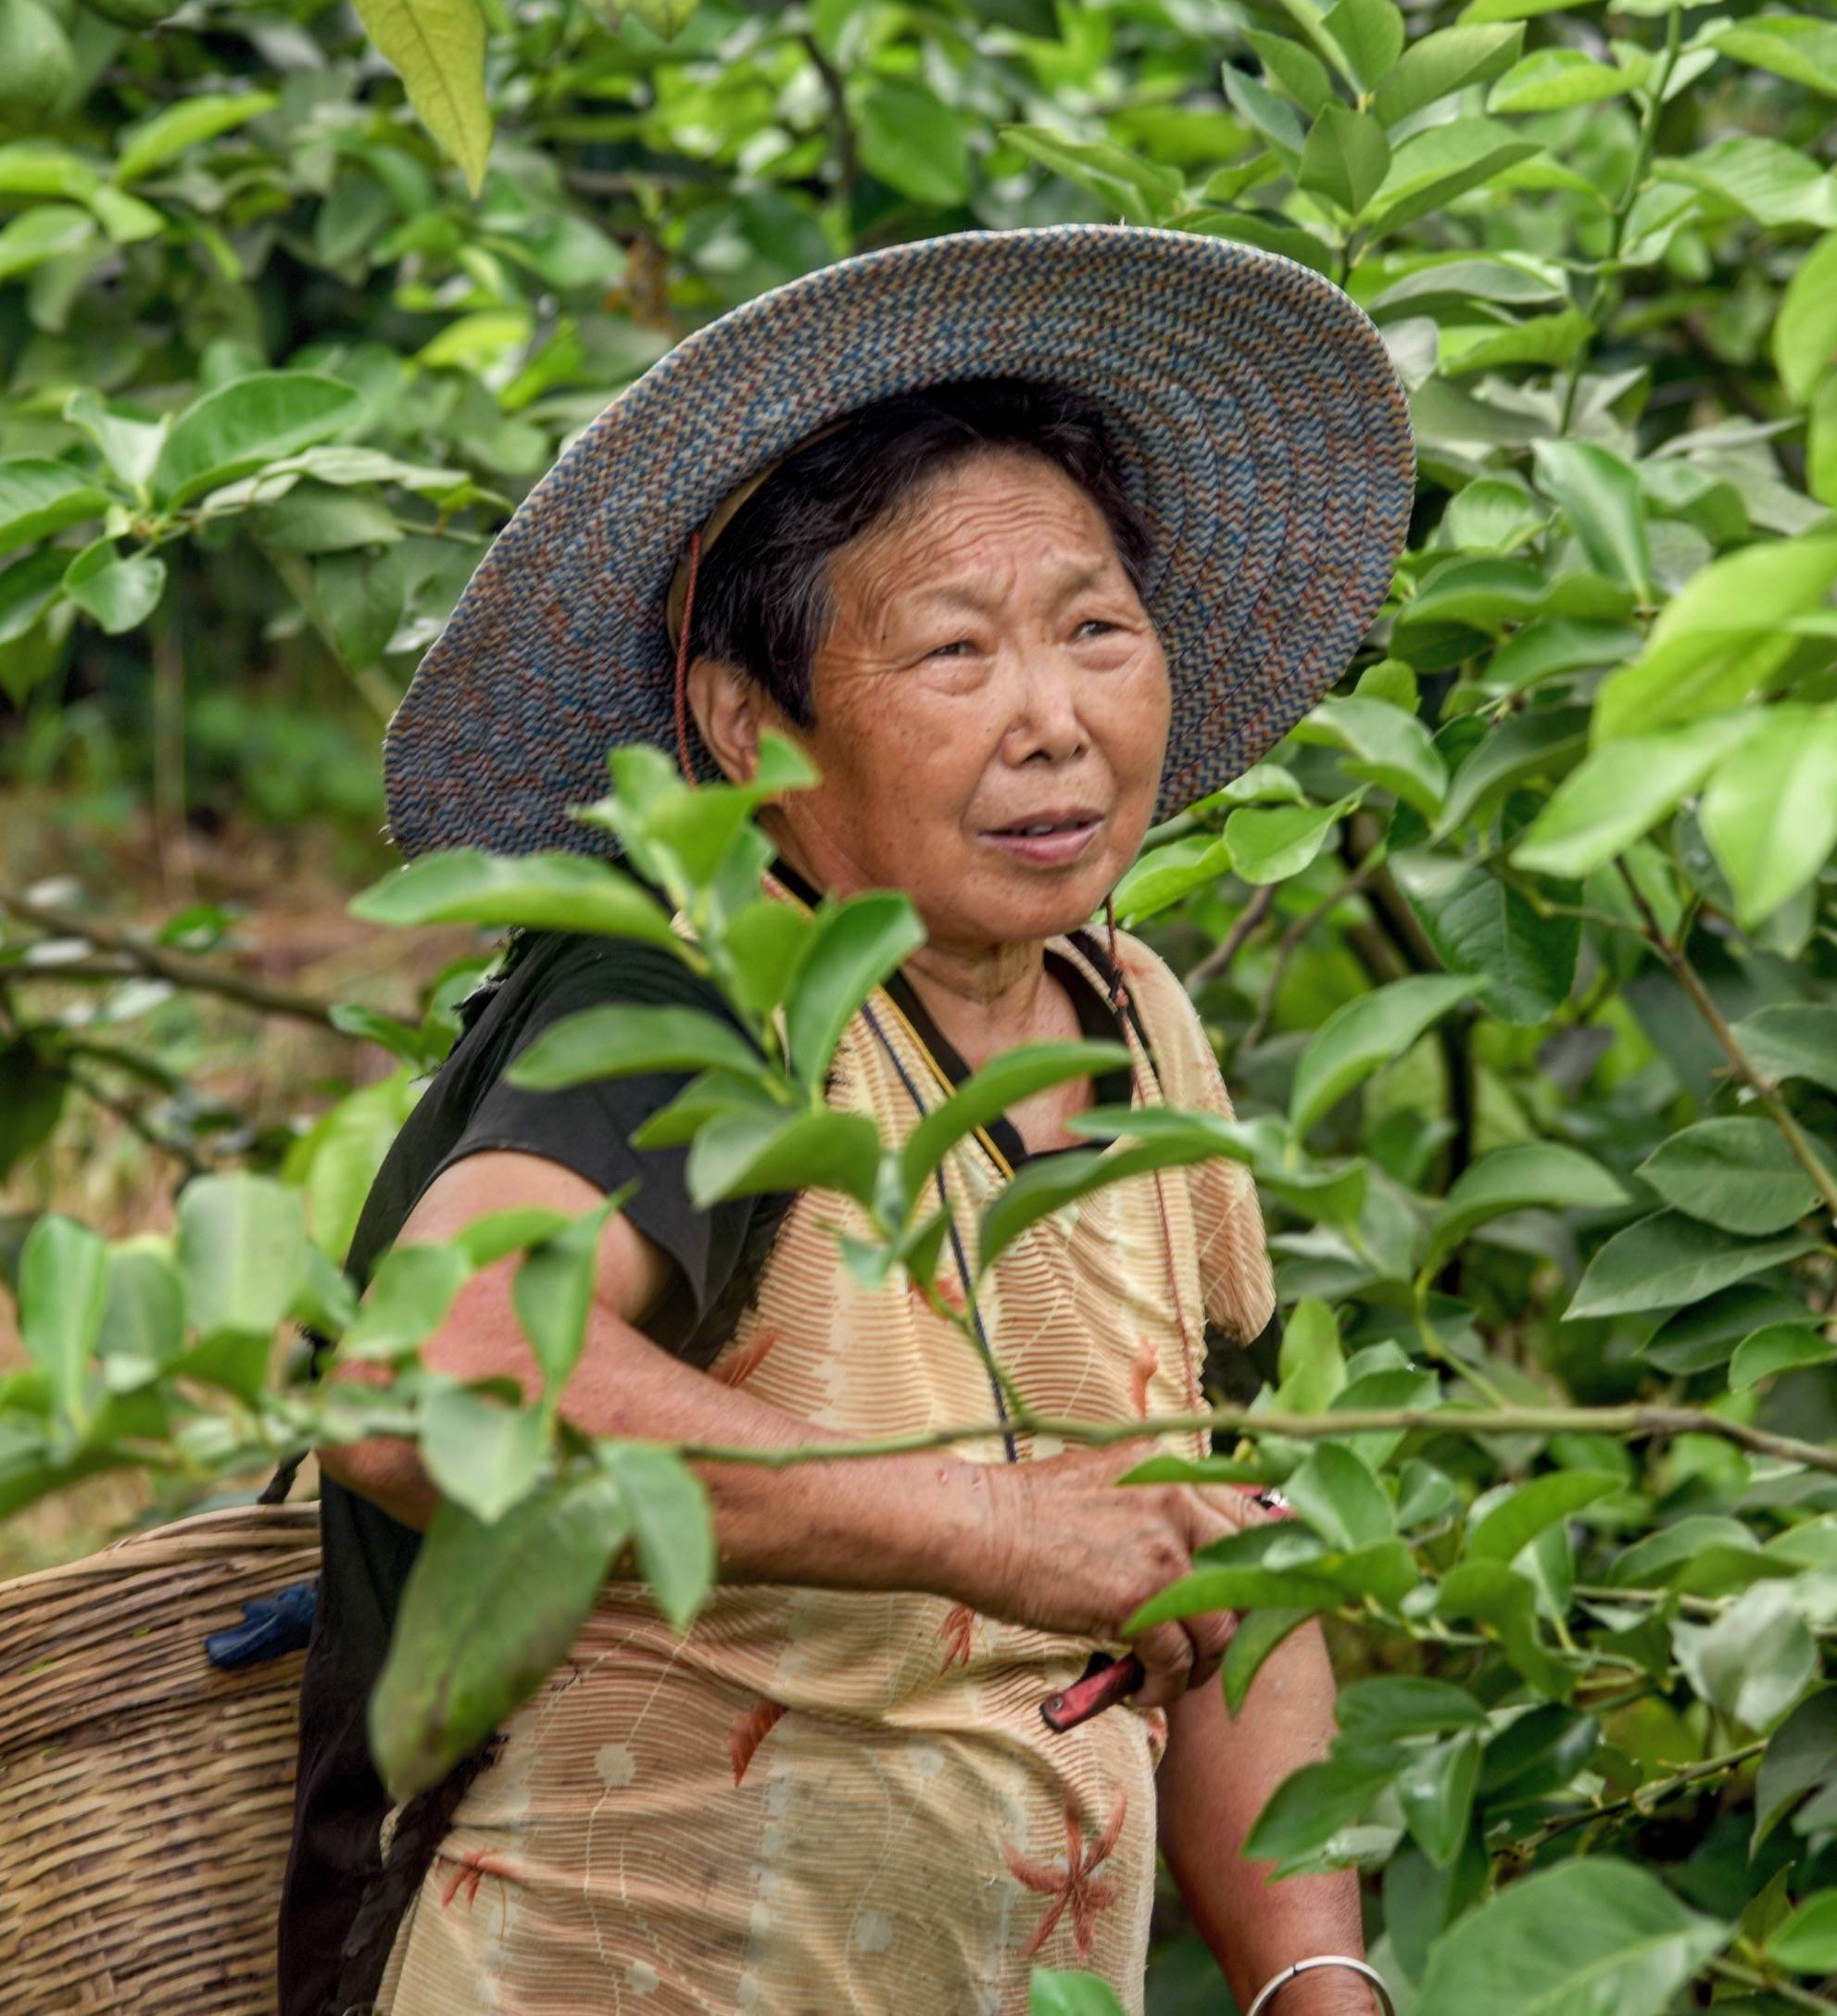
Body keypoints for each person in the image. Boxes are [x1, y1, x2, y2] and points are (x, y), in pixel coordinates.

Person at [282, 227, 1415, 2016]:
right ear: (749, 726)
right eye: (953, 652)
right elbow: (435, 1390)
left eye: (1097, 630)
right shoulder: (685, 1008)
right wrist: (996, 1521)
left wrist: (1316, 1982)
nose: (1053, 722)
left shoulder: (1134, 1020)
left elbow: (1210, 1549)